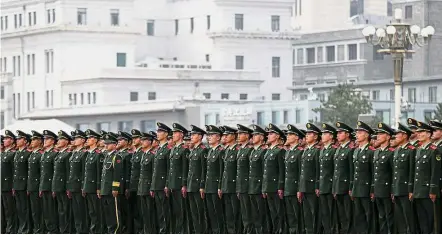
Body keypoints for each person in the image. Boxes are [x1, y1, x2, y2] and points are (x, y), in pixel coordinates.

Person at [412, 121, 441, 234]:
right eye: (418, 132)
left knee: (431, 221)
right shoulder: (419, 150)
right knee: (422, 220)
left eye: (422, 132)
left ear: (429, 134)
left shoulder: (434, 151)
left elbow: (435, 172)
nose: (418, 134)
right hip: (419, 191)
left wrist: (433, 190)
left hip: (428, 191)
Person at [391, 123, 416, 234]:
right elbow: (394, 172)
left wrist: (410, 189)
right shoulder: (397, 150)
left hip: (406, 189)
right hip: (397, 189)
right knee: (400, 219)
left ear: (405, 136)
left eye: (398, 134)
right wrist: (393, 189)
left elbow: (412, 171)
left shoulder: (411, 150)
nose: (395, 136)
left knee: (409, 218)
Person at [352, 121, 375, 234]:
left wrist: (372, 189)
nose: (357, 134)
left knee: (369, 215)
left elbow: (373, 172)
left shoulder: (371, 152)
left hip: (366, 189)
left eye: (360, 132)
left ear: (366, 135)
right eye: (357, 132)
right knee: (358, 216)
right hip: (357, 188)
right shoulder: (356, 151)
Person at [372, 123, 395, 234]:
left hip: (386, 190)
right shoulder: (376, 152)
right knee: (381, 216)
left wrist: (392, 190)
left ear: (388, 136)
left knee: (389, 216)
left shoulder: (391, 153)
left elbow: (393, 173)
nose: (378, 136)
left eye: (381, 134)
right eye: (378, 134)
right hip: (377, 189)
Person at [167, 123, 190, 234]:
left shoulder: (184, 149)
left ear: (181, 135)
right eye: (173, 133)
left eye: (176, 133)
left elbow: (185, 168)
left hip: (179, 184)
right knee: (174, 211)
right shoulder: (173, 150)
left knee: (181, 211)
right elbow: (170, 169)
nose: (173, 134)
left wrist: (184, 184)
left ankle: (182, 231)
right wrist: (168, 184)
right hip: (172, 184)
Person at [263, 123, 286, 234]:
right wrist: (264, 187)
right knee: (272, 212)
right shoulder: (268, 151)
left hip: (276, 187)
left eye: (271, 134)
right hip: (268, 187)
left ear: (277, 136)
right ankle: (275, 230)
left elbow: (282, 171)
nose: (268, 136)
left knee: (279, 212)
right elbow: (265, 172)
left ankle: (280, 230)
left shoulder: (280, 151)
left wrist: (280, 187)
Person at [299, 123, 321, 234]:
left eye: (309, 134)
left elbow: (318, 170)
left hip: (312, 187)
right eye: (306, 134)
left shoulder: (317, 151)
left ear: (316, 136)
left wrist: (317, 186)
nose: (306, 135)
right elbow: (302, 171)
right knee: (306, 214)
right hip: (304, 187)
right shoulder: (306, 150)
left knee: (314, 214)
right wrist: (300, 188)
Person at [185, 125, 208, 234]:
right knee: (194, 213)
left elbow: (204, 170)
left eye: (194, 135)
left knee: (200, 212)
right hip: (191, 185)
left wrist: (202, 186)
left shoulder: (203, 150)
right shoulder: (193, 151)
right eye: (192, 135)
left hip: (198, 186)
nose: (191, 137)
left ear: (200, 137)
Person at [150, 122, 173, 234]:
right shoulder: (158, 149)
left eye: (160, 132)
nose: (157, 134)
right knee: (159, 211)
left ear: (166, 134)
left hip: (163, 185)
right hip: (156, 185)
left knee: (165, 211)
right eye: (157, 131)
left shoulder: (168, 149)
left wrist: (167, 184)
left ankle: (166, 231)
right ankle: (162, 230)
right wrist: (152, 186)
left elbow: (169, 169)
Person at [333, 122, 355, 234]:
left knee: (348, 214)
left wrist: (351, 187)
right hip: (338, 187)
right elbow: (336, 171)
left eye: (340, 133)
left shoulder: (350, 150)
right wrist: (334, 188)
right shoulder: (338, 149)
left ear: (347, 134)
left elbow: (352, 171)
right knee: (341, 215)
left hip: (346, 188)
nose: (337, 135)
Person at [204, 125, 226, 234]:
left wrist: (220, 187)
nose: (209, 137)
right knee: (211, 213)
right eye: (208, 135)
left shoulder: (221, 151)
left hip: (216, 186)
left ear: (218, 137)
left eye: (211, 135)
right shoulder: (210, 151)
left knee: (218, 213)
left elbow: (222, 170)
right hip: (208, 186)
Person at [83, 129, 105, 234]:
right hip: (88, 187)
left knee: (97, 211)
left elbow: (99, 173)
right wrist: (84, 186)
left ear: (95, 140)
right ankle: (93, 230)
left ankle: (98, 231)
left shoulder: (98, 154)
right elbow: (86, 173)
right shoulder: (88, 154)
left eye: (89, 138)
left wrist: (98, 187)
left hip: (94, 188)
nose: (87, 140)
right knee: (91, 211)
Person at [220, 125, 241, 234]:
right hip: (226, 186)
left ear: (233, 136)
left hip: (234, 186)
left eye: (227, 135)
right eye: (224, 135)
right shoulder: (227, 150)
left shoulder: (237, 150)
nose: (225, 137)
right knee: (228, 214)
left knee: (236, 213)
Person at [284, 124, 304, 234]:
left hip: (295, 188)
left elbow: (301, 172)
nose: (287, 136)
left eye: (290, 134)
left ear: (296, 137)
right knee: (290, 215)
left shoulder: (300, 152)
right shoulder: (288, 152)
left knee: (297, 216)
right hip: (287, 188)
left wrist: (299, 189)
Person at [318, 123, 338, 233]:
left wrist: (334, 186)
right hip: (322, 186)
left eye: (325, 133)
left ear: (331, 136)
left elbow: (335, 170)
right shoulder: (322, 150)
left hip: (330, 186)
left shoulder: (334, 150)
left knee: (331, 213)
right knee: (324, 213)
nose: (322, 135)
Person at [248, 124, 268, 233]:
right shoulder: (253, 152)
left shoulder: (263, 151)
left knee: (261, 214)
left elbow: (264, 171)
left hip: (259, 187)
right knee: (254, 214)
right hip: (252, 187)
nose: (253, 137)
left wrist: (263, 188)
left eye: (256, 135)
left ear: (261, 137)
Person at [68, 129, 88, 233]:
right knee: (76, 210)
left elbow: (84, 171)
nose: (74, 140)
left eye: (77, 138)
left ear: (83, 140)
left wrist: (83, 186)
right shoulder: (74, 153)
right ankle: (78, 229)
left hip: (79, 186)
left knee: (81, 210)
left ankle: (82, 230)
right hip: (72, 185)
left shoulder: (84, 154)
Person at [235, 124, 254, 233]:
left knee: (249, 212)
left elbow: (250, 170)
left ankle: (250, 231)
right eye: (238, 133)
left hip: (247, 186)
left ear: (247, 136)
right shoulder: (241, 150)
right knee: (244, 214)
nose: (238, 135)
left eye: (241, 133)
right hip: (241, 186)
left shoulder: (249, 150)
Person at [53, 130, 73, 234]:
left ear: (66, 141)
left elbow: (68, 172)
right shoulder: (59, 154)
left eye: (61, 139)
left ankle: (66, 230)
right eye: (59, 139)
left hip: (64, 187)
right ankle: (62, 229)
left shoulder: (67, 155)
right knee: (60, 210)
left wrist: (68, 188)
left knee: (66, 210)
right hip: (58, 186)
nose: (59, 141)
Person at [40, 130, 59, 233]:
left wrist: (54, 187)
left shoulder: (54, 153)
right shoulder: (44, 154)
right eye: (44, 139)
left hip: (51, 185)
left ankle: (53, 230)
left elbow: (55, 172)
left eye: (47, 139)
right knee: (46, 210)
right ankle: (49, 228)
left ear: (52, 141)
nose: (45, 141)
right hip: (44, 185)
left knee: (52, 210)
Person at [13, 131, 32, 233]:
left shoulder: (28, 154)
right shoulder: (17, 154)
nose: (17, 140)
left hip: (24, 184)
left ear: (26, 142)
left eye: (20, 139)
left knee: (25, 208)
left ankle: (26, 229)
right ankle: (21, 228)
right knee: (19, 208)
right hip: (16, 184)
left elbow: (30, 171)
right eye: (17, 139)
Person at [138, 132, 157, 233]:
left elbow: (154, 172)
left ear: (150, 142)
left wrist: (152, 187)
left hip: (148, 187)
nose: (142, 142)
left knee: (150, 212)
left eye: (144, 140)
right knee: (144, 213)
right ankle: (146, 231)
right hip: (141, 187)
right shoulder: (143, 154)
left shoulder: (152, 155)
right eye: (142, 140)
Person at [28, 131, 45, 233]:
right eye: (32, 139)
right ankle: (36, 228)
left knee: (39, 209)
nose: (32, 141)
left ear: (40, 141)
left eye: (35, 139)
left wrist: (40, 187)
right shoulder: (32, 155)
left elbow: (42, 172)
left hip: (37, 185)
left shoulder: (40, 155)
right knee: (34, 210)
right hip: (31, 186)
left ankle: (40, 229)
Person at [2, 130, 17, 234]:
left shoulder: (13, 154)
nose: (4, 140)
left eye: (7, 139)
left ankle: (11, 229)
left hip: (8, 185)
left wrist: (13, 186)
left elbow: (14, 171)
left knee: (10, 210)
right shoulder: (4, 154)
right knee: (4, 210)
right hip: (2, 185)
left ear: (12, 141)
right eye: (4, 139)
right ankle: (6, 228)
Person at [129, 129, 144, 234]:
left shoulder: (143, 153)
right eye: (133, 138)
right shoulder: (135, 153)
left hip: (140, 186)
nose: (134, 140)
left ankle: (141, 231)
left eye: (136, 138)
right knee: (134, 211)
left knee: (140, 211)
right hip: (133, 186)